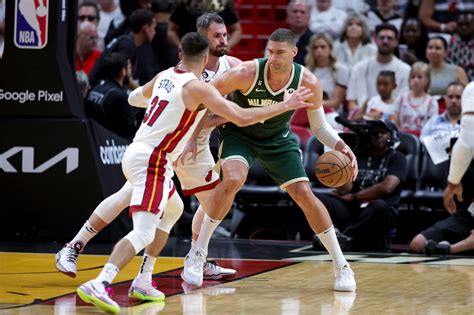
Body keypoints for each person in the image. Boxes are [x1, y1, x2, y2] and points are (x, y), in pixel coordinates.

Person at [75, 31, 313, 314]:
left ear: (181, 55)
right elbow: (243, 117)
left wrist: (165, 109)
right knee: (143, 232)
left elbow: (136, 98)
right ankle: (101, 282)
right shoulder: (199, 88)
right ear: (205, 60)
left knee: (173, 210)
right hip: (155, 160)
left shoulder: (165, 75)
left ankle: (143, 279)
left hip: (138, 150)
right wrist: (286, 105)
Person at [57, 13, 241, 283]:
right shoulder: (183, 73)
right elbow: (233, 114)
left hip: (191, 147)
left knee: (206, 203)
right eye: (217, 36)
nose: (224, 40)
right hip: (169, 147)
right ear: (201, 41)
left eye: (225, 34)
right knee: (130, 198)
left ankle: (194, 257)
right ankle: (82, 254)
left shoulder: (233, 66)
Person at [181, 28, 358, 292]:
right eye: (270, 51)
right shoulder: (246, 73)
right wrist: (192, 137)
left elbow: (319, 127)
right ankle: (198, 253)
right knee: (233, 178)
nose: (273, 58)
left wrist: (342, 146)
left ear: (294, 53)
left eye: (280, 53)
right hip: (239, 133)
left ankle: (341, 265)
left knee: (304, 194)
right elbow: (201, 99)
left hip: (278, 138)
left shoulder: (307, 81)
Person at [315, 119, 407, 251]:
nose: (379, 135)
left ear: (392, 136)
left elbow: (387, 187)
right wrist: (342, 159)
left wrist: (355, 196)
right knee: (317, 198)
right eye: (375, 132)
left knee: (379, 205)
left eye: (383, 132)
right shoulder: (360, 156)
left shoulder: (397, 157)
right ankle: (329, 233)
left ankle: (344, 236)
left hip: (382, 211)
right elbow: (346, 189)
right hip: (355, 209)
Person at [409, 81, 474, 255]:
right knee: (417, 243)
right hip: (469, 213)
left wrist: (452, 183)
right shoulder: (472, 90)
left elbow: (465, 142)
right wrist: (453, 182)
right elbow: (465, 142)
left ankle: (449, 249)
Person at [346, 23, 410, 112]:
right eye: (382, 38)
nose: (385, 41)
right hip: (363, 119)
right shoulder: (359, 68)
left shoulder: (406, 70)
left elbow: (404, 105)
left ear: (396, 42)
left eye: (390, 38)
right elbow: (351, 103)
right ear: (375, 40)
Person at [84, 52, 139, 140]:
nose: (130, 71)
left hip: (92, 137)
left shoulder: (96, 86)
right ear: (122, 71)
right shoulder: (120, 96)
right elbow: (132, 128)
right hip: (111, 144)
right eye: (129, 68)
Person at [167, 0, 242, 50]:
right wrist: (180, 46)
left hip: (216, 53)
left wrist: (227, 46)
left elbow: (237, 30)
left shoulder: (224, 3)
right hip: (190, 52)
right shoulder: (184, 2)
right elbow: (171, 30)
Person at [390, 62, 438, 136]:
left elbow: (432, 126)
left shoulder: (432, 103)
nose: (415, 80)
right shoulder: (401, 99)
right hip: (403, 138)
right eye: (413, 77)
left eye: (419, 77)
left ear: (427, 80)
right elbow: (395, 121)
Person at [305, 32, 349, 111]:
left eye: (323, 47)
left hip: (333, 113)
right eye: (315, 47)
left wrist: (311, 105)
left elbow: (336, 102)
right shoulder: (306, 71)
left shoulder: (341, 70)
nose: (319, 50)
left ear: (330, 48)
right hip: (308, 112)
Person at [446, 12, 474, 81]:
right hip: (454, 81)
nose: (464, 27)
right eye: (460, 24)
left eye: (468, 24)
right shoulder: (450, 42)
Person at [285, 0, 313, 66]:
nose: (298, 15)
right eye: (295, 11)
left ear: (309, 18)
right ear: (288, 16)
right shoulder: (278, 38)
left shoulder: (314, 40)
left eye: (302, 12)